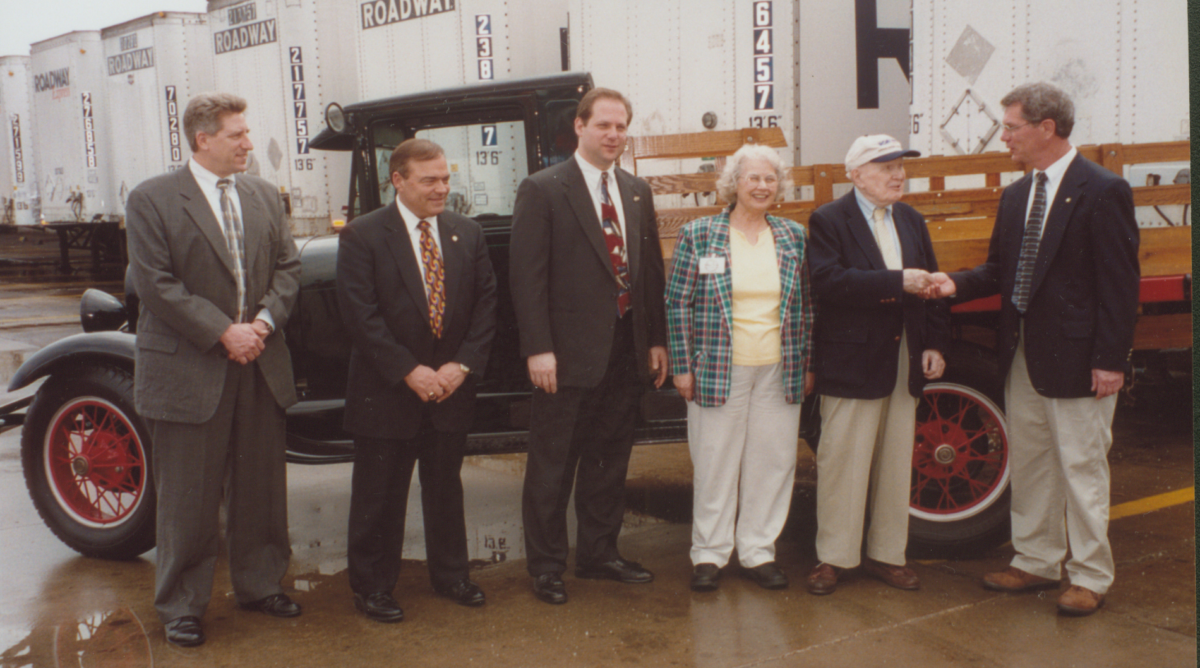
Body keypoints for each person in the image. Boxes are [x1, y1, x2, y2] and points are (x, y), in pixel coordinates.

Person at [926, 82, 1139, 616]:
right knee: (1034, 464)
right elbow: (1002, 271)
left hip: (1079, 361)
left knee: (1082, 468)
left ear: (1047, 128)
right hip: (1022, 355)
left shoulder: (1102, 190)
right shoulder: (1018, 194)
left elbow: (1119, 285)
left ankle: (1090, 576)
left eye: (1012, 126)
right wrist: (955, 284)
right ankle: (1037, 561)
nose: (1004, 137)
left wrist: (1110, 361)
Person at [125, 92, 302, 647]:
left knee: (260, 489)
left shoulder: (263, 195)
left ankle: (260, 584)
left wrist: (264, 325)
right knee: (188, 497)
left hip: (259, 361)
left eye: (248, 133)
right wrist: (224, 331)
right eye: (237, 135)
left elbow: (289, 267)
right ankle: (181, 604)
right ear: (203, 140)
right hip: (190, 367)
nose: (250, 144)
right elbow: (155, 283)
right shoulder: (152, 199)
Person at [509, 87, 668, 605]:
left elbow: (648, 277)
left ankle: (599, 554)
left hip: (624, 351)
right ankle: (548, 566)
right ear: (579, 127)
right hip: (566, 355)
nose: (614, 135)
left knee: (609, 460)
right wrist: (538, 348)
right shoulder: (543, 189)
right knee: (553, 464)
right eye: (604, 125)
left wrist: (656, 341)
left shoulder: (637, 191)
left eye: (621, 126)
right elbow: (526, 278)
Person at [337, 138, 497, 623]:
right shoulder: (363, 235)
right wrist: (409, 370)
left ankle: (451, 575)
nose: (442, 188)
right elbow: (360, 316)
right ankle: (372, 587)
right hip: (388, 390)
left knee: (445, 486)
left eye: (446, 178)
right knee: (379, 493)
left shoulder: (466, 233)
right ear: (398, 181)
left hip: (449, 388)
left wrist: (460, 366)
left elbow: (486, 305)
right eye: (430, 180)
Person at [664, 144, 815, 592]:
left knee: (774, 463)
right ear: (735, 184)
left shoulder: (792, 236)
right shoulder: (700, 234)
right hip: (715, 368)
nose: (763, 186)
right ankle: (709, 554)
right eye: (753, 178)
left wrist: (806, 364)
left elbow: (806, 307)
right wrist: (682, 366)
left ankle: (757, 552)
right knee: (715, 464)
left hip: (777, 367)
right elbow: (677, 304)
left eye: (770, 179)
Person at [804, 134, 950, 596]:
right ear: (856, 175)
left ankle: (888, 555)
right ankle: (835, 558)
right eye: (885, 166)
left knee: (894, 463)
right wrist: (896, 281)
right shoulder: (829, 219)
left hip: (904, 352)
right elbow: (827, 282)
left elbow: (930, 283)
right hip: (851, 359)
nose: (897, 175)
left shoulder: (910, 219)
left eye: (899, 166)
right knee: (842, 462)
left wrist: (933, 343)